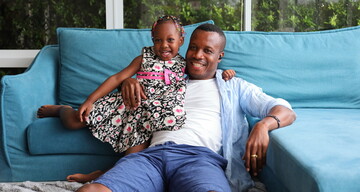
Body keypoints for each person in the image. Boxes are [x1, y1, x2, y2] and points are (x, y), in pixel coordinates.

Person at [75, 23, 296, 192]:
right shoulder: (164, 76)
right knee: (92, 190)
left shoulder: (233, 86)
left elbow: (283, 109)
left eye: (207, 51)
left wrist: (264, 126)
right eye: (193, 48)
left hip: (198, 159)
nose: (198, 55)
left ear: (220, 56)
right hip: (151, 157)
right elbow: (132, 85)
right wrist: (127, 82)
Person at [38, 15, 236, 157]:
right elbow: (117, 78)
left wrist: (224, 73)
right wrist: (90, 100)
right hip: (125, 104)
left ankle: (98, 175)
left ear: (181, 41)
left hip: (148, 118)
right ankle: (62, 110)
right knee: (74, 121)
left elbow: (204, 70)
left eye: (170, 40)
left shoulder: (184, 64)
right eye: (157, 40)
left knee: (133, 158)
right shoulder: (144, 58)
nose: (163, 45)